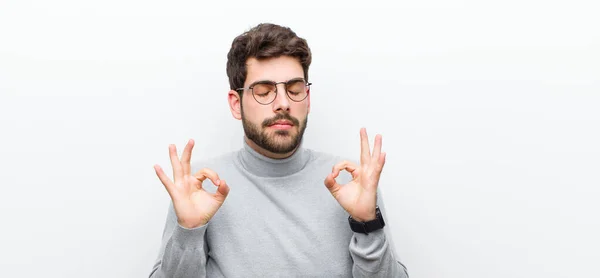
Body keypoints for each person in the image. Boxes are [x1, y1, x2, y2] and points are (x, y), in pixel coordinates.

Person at [148, 23, 409, 277]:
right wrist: (188, 231)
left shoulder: (352, 182)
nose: (283, 103)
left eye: (294, 89)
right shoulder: (199, 187)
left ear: (307, 99)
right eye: (264, 92)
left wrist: (368, 224)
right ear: (236, 104)